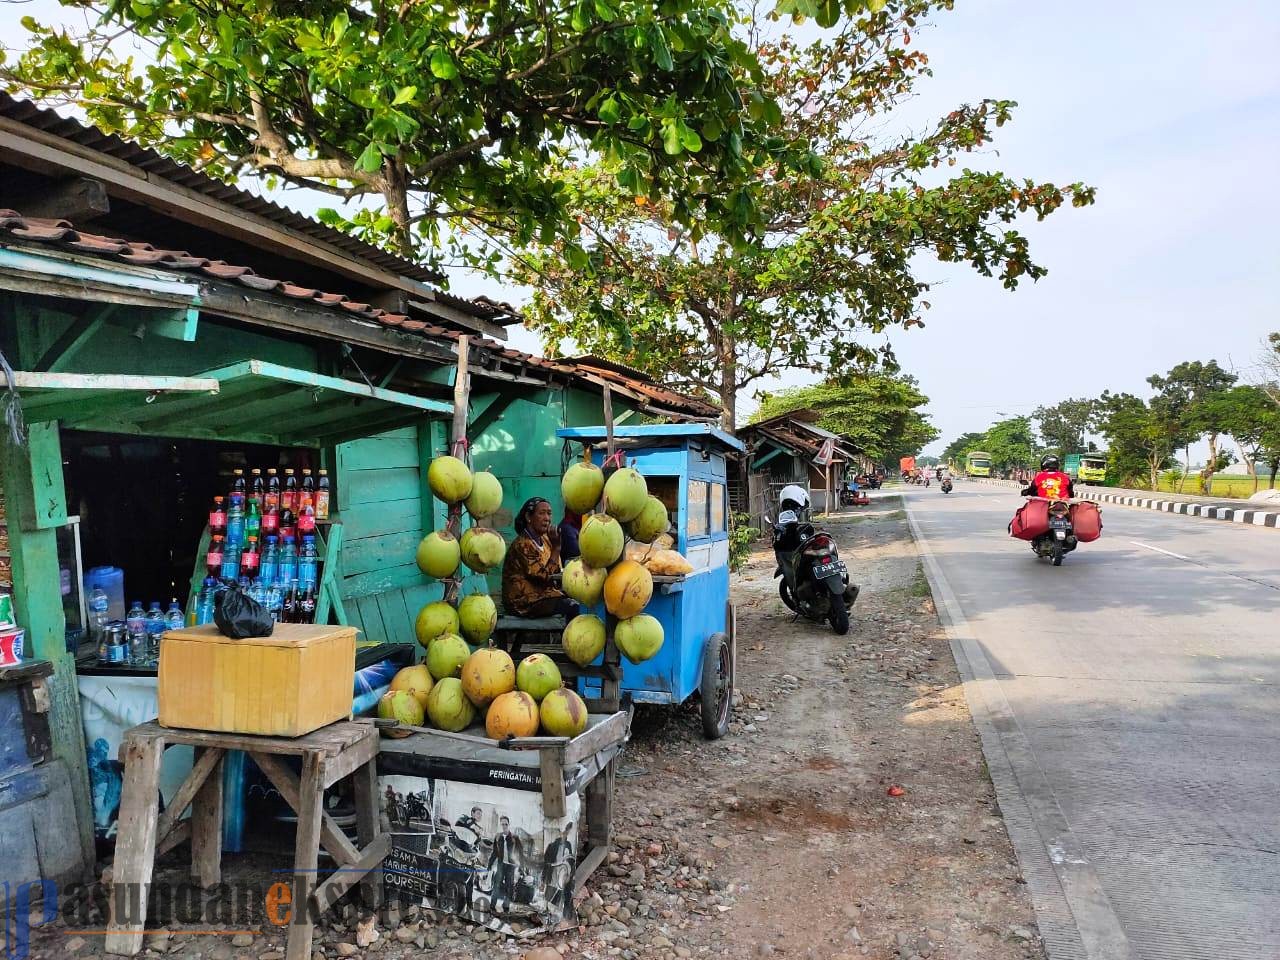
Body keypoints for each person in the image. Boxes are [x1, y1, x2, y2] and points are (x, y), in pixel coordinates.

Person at [501, 498, 578, 618]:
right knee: (571, 607)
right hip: (523, 602)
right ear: (528, 517)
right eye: (542, 513)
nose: (547, 518)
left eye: (549, 513)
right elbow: (542, 577)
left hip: (542, 596)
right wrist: (556, 548)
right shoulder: (523, 544)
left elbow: (555, 571)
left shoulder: (546, 540)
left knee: (578, 598)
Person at [488, 816, 523, 913]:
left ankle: (506, 906)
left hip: (511, 867)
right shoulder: (498, 837)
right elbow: (494, 852)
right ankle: (492, 905)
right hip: (501, 865)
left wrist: (521, 867)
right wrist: (489, 864)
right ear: (501, 825)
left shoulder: (514, 838)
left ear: (509, 824)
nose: (504, 826)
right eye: (502, 824)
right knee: (496, 885)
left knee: (509, 887)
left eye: (506, 824)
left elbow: (520, 853)